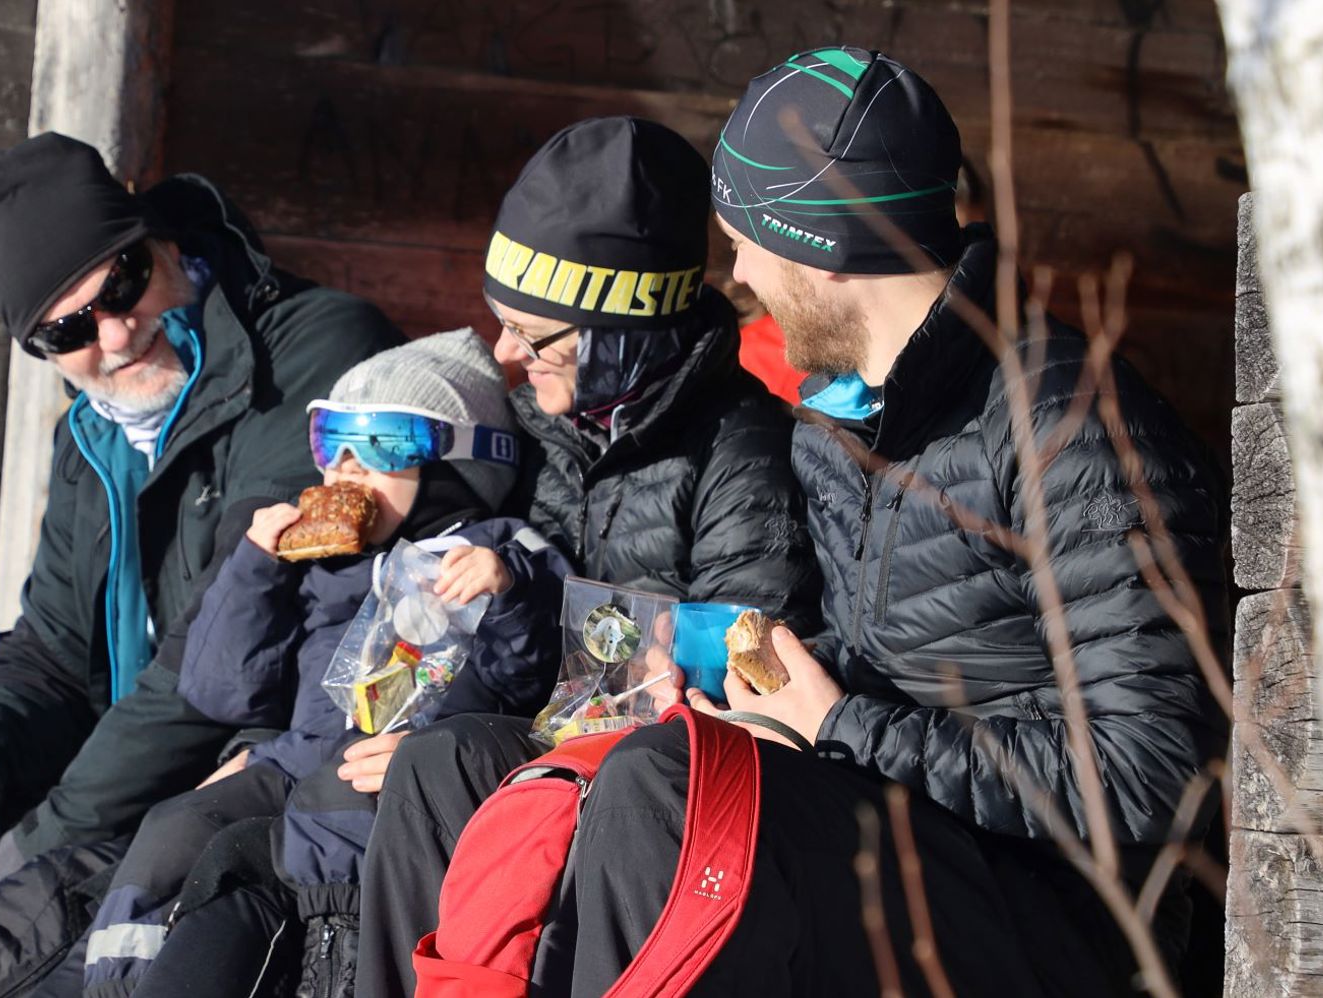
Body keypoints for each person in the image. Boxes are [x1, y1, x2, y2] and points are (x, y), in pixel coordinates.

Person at [553, 46, 1226, 994]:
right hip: (904, 830)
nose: (735, 270)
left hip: (1069, 914)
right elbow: (881, 658)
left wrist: (840, 726)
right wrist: (751, 693)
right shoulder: (841, 420)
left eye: (744, 237)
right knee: (602, 771)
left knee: (662, 786)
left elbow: (1152, 772)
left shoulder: (1069, 429)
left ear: (820, 251)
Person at [0, 132, 402, 995]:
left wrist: (50, 831)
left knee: (32, 924)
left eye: (124, 280)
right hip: (126, 782)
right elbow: (53, 647)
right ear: (41, 351)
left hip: (257, 762)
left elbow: (218, 649)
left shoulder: (309, 359)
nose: (119, 331)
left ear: (161, 238)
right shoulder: (89, 439)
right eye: (70, 328)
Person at [349, 117, 824, 998]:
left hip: (671, 762)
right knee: (434, 761)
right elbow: (530, 649)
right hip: (568, 738)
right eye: (503, 324)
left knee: (601, 792)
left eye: (535, 335)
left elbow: (760, 649)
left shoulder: (741, 445)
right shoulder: (552, 432)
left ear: (625, 331)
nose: (505, 355)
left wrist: (668, 651)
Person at [76, 331, 573, 997]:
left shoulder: (497, 550)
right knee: (178, 823)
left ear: (458, 462)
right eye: (329, 442)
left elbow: (533, 678)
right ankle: (118, 985)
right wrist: (255, 567)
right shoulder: (321, 561)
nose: (345, 467)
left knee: (327, 812)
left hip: (398, 771)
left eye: (380, 445)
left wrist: (506, 587)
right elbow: (225, 690)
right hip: (296, 756)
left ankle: (323, 976)